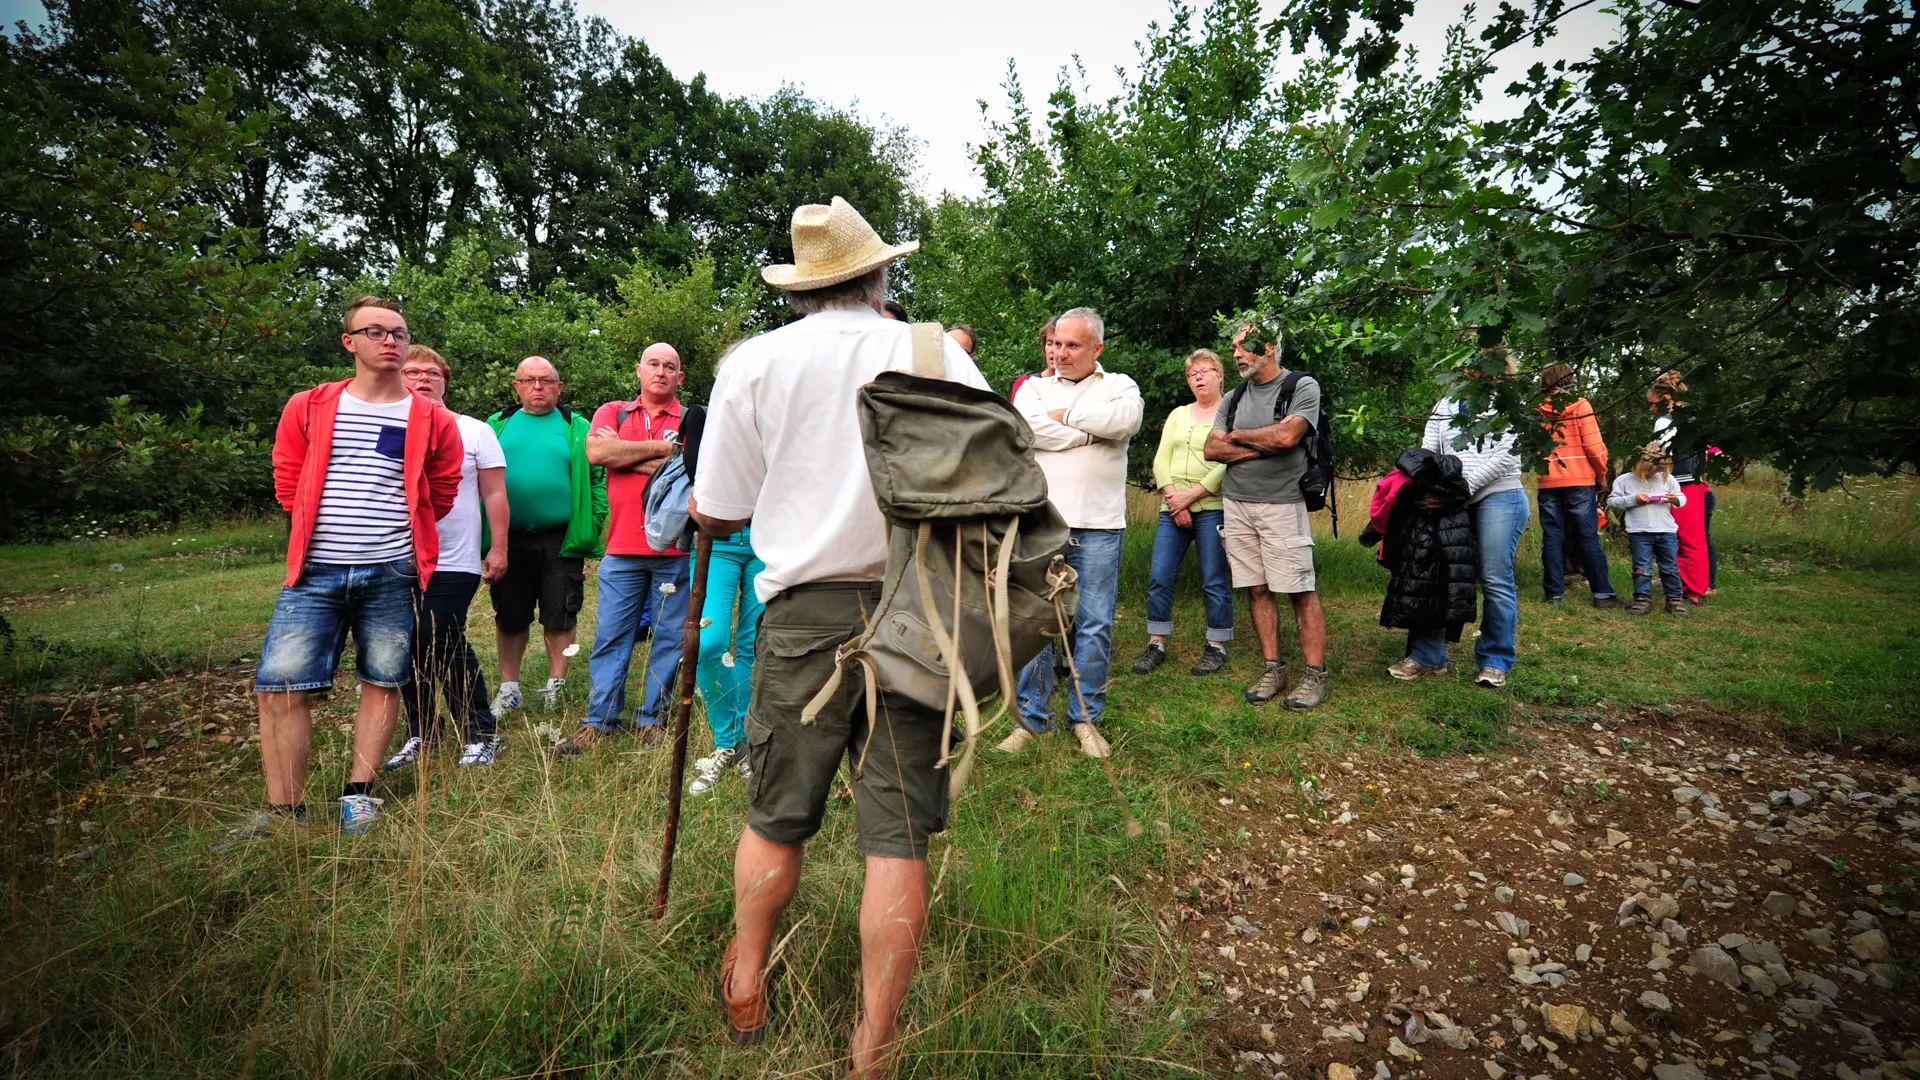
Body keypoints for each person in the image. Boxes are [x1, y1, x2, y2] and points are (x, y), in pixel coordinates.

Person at [690, 196, 986, 1075]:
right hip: (922, 608)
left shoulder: (756, 364)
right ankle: (876, 1043)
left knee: (778, 815)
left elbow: (720, 508)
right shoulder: (937, 354)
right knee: (897, 834)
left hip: (805, 613)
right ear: (878, 272)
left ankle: (746, 981)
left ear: (802, 286)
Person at [244, 296, 460, 838]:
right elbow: (288, 477)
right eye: (375, 332)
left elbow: (443, 487)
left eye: (399, 333)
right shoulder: (311, 405)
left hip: (393, 570)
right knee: (281, 688)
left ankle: (358, 795)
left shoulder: (430, 417)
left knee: (383, 680)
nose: (390, 341)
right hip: (315, 571)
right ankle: (284, 813)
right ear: (350, 342)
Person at [1000, 307, 1143, 759]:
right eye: (1056, 344)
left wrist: (1065, 417)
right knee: (1038, 623)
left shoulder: (1120, 386)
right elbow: (1027, 430)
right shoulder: (1035, 388)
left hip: (1100, 526)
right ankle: (1031, 719)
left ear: (1096, 348)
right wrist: (1087, 431)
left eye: (1072, 345)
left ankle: (1085, 720)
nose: (1060, 353)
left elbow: (1125, 423)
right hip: (1044, 525)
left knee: (1095, 625)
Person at [557, 343, 690, 755]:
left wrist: (624, 455)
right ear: (639, 370)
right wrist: (666, 451)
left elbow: (694, 469)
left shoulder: (691, 419)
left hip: (676, 549)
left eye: (670, 367)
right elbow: (597, 452)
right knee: (613, 634)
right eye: (653, 364)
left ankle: (653, 718)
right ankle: (599, 720)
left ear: (680, 378)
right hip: (622, 547)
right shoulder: (612, 412)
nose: (661, 372)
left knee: (669, 637)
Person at [384, 346, 510, 770]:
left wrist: (498, 547)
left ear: (445, 381)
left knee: (442, 638)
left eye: (433, 373)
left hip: (454, 559)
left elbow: (494, 493)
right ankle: (423, 732)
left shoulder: (474, 431)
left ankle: (481, 733)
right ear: (399, 377)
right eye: (413, 372)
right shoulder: (387, 427)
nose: (423, 379)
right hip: (394, 555)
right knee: (404, 645)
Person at [1203, 321, 1331, 709]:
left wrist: (1238, 437)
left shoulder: (1301, 386)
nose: (1237, 354)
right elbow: (1211, 449)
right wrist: (1262, 443)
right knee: (1256, 588)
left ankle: (1315, 677)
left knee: (1298, 589)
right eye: (1234, 347)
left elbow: (1288, 437)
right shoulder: (1234, 396)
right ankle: (1273, 668)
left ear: (1270, 347)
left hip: (1282, 504)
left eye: (1245, 346)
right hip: (1237, 503)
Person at [485, 356, 605, 713]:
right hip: (508, 538)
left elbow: (597, 480)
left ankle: (556, 684)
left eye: (546, 380)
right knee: (510, 615)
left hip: (561, 538)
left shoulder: (577, 425)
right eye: (530, 380)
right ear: (516, 386)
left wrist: (594, 519)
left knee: (561, 613)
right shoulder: (497, 424)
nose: (538, 387)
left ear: (559, 387)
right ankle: (509, 688)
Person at [1410, 351, 1530, 688]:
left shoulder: (1509, 402)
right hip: (1451, 495)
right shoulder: (1446, 402)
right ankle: (1426, 656)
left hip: (1499, 496)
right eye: (1467, 362)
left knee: (1493, 577)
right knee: (1436, 573)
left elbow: (1506, 457)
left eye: (1480, 363)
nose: (1470, 369)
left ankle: (1495, 660)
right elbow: (1429, 449)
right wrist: (1432, 486)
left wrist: (1458, 491)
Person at [690, 344, 764, 796]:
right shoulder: (704, 416)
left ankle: (750, 746)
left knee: (755, 645)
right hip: (716, 542)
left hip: (768, 542)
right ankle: (728, 740)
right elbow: (698, 477)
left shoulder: (783, 417)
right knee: (708, 641)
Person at [1133, 348, 1233, 676]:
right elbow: (1161, 459)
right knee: (1160, 575)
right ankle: (1156, 642)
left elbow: (1229, 461)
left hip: (1211, 507)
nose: (1199, 378)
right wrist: (1174, 497)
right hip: (1172, 506)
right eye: (1192, 374)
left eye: (1205, 371)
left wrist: (1194, 494)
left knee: (1214, 577)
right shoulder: (1178, 414)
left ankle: (1216, 645)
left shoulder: (1229, 414)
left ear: (1220, 375)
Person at [1536, 363, 1621, 607]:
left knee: (1552, 536)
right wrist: (1601, 475)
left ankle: (1553, 593)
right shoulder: (1581, 405)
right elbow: (1594, 446)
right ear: (1568, 380)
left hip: (1548, 479)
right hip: (1580, 478)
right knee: (1587, 536)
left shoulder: (1536, 410)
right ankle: (1602, 594)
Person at [1650, 371, 1713, 604]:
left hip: (1679, 483)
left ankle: (1692, 590)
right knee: (1696, 537)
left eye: (1652, 402)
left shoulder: (1666, 421)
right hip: (1696, 482)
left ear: (1664, 397)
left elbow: (1658, 456)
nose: (1651, 408)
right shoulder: (1693, 420)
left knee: (1683, 538)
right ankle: (1699, 584)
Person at [1609, 442, 1689, 616]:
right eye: (1651, 470)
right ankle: (1642, 600)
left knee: (1670, 567)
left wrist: (1674, 499)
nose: (1654, 474)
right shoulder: (1624, 481)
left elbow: (1682, 499)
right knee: (1642, 568)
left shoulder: (1668, 479)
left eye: (1658, 470)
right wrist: (1633, 499)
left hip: (1666, 530)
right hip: (1639, 531)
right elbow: (1612, 501)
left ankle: (1675, 599)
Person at [1007, 316, 1058, 402]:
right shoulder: (1025, 383)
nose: (1053, 350)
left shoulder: (1083, 384)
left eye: (1058, 344)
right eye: (1049, 344)